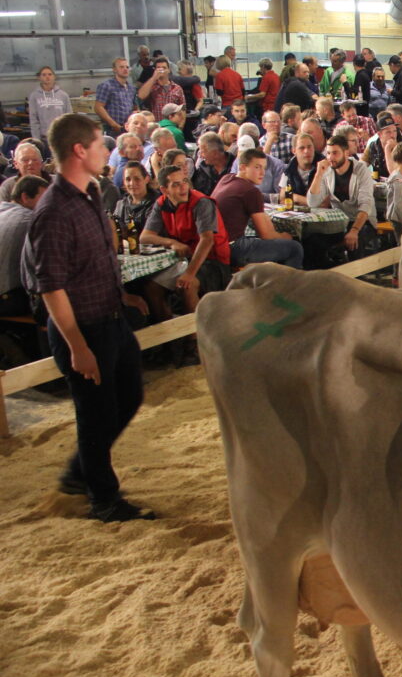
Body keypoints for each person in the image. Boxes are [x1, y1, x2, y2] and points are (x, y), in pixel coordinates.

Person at [25, 113, 152, 521]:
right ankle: (104, 499)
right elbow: (51, 286)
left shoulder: (92, 193)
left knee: (130, 396)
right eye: (100, 143)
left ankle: (79, 473)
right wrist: (77, 346)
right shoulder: (53, 212)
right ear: (79, 151)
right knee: (95, 416)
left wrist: (125, 296)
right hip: (83, 329)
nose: (106, 150)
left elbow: (99, 257)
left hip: (112, 316)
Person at [140, 162, 232, 317]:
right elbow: (144, 237)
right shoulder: (161, 204)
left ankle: (195, 337)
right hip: (184, 260)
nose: (183, 188)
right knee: (151, 287)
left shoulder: (201, 203)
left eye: (185, 182)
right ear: (164, 190)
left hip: (213, 261)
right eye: (176, 185)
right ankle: (170, 333)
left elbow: (207, 240)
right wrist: (172, 243)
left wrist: (189, 273)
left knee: (186, 286)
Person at [213, 148, 304, 270]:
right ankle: (288, 287)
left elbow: (260, 221)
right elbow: (265, 234)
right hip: (233, 247)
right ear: (242, 167)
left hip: (215, 244)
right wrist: (285, 236)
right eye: (257, 167)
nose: (262, 173)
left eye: (264, 168)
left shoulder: (226, 179)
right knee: (294, 248)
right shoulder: (250, 191)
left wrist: (276, 235)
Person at [306, 134, 376, 262]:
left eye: (335, 153)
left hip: (362, 221)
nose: (330, 158)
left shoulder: (361, 170)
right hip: (339, 222)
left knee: (355, 242)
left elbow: (366, 204)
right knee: (311, 240)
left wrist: (354, 230)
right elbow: (312, 202)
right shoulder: (327, 171)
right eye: (328, 153)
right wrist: (318, 174)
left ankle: (356, 278)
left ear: (346, 153)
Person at [0, 174, 46, 316]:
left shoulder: (3, 212)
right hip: (6, 300)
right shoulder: (30, 221)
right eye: (44, 198)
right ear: (25, 197)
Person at [94, 58, 140, 136]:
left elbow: (135, 107)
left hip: (128, 129)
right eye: (121, 67)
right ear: (114, 69)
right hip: (112, 130)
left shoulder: (131, 88)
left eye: (127, 67)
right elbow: (98, 108)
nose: (125, 69)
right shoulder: (106, 86)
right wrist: (114, 125)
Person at [28, 66, 72, 143]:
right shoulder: (34, 96)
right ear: (39, 77)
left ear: (54, 76)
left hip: (61, 137)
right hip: (44, 138)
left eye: (50, 74)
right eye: (44, 75)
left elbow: (69, 117)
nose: (47, 77)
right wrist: (36, 139)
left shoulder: (63, 95)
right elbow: (33, 119)